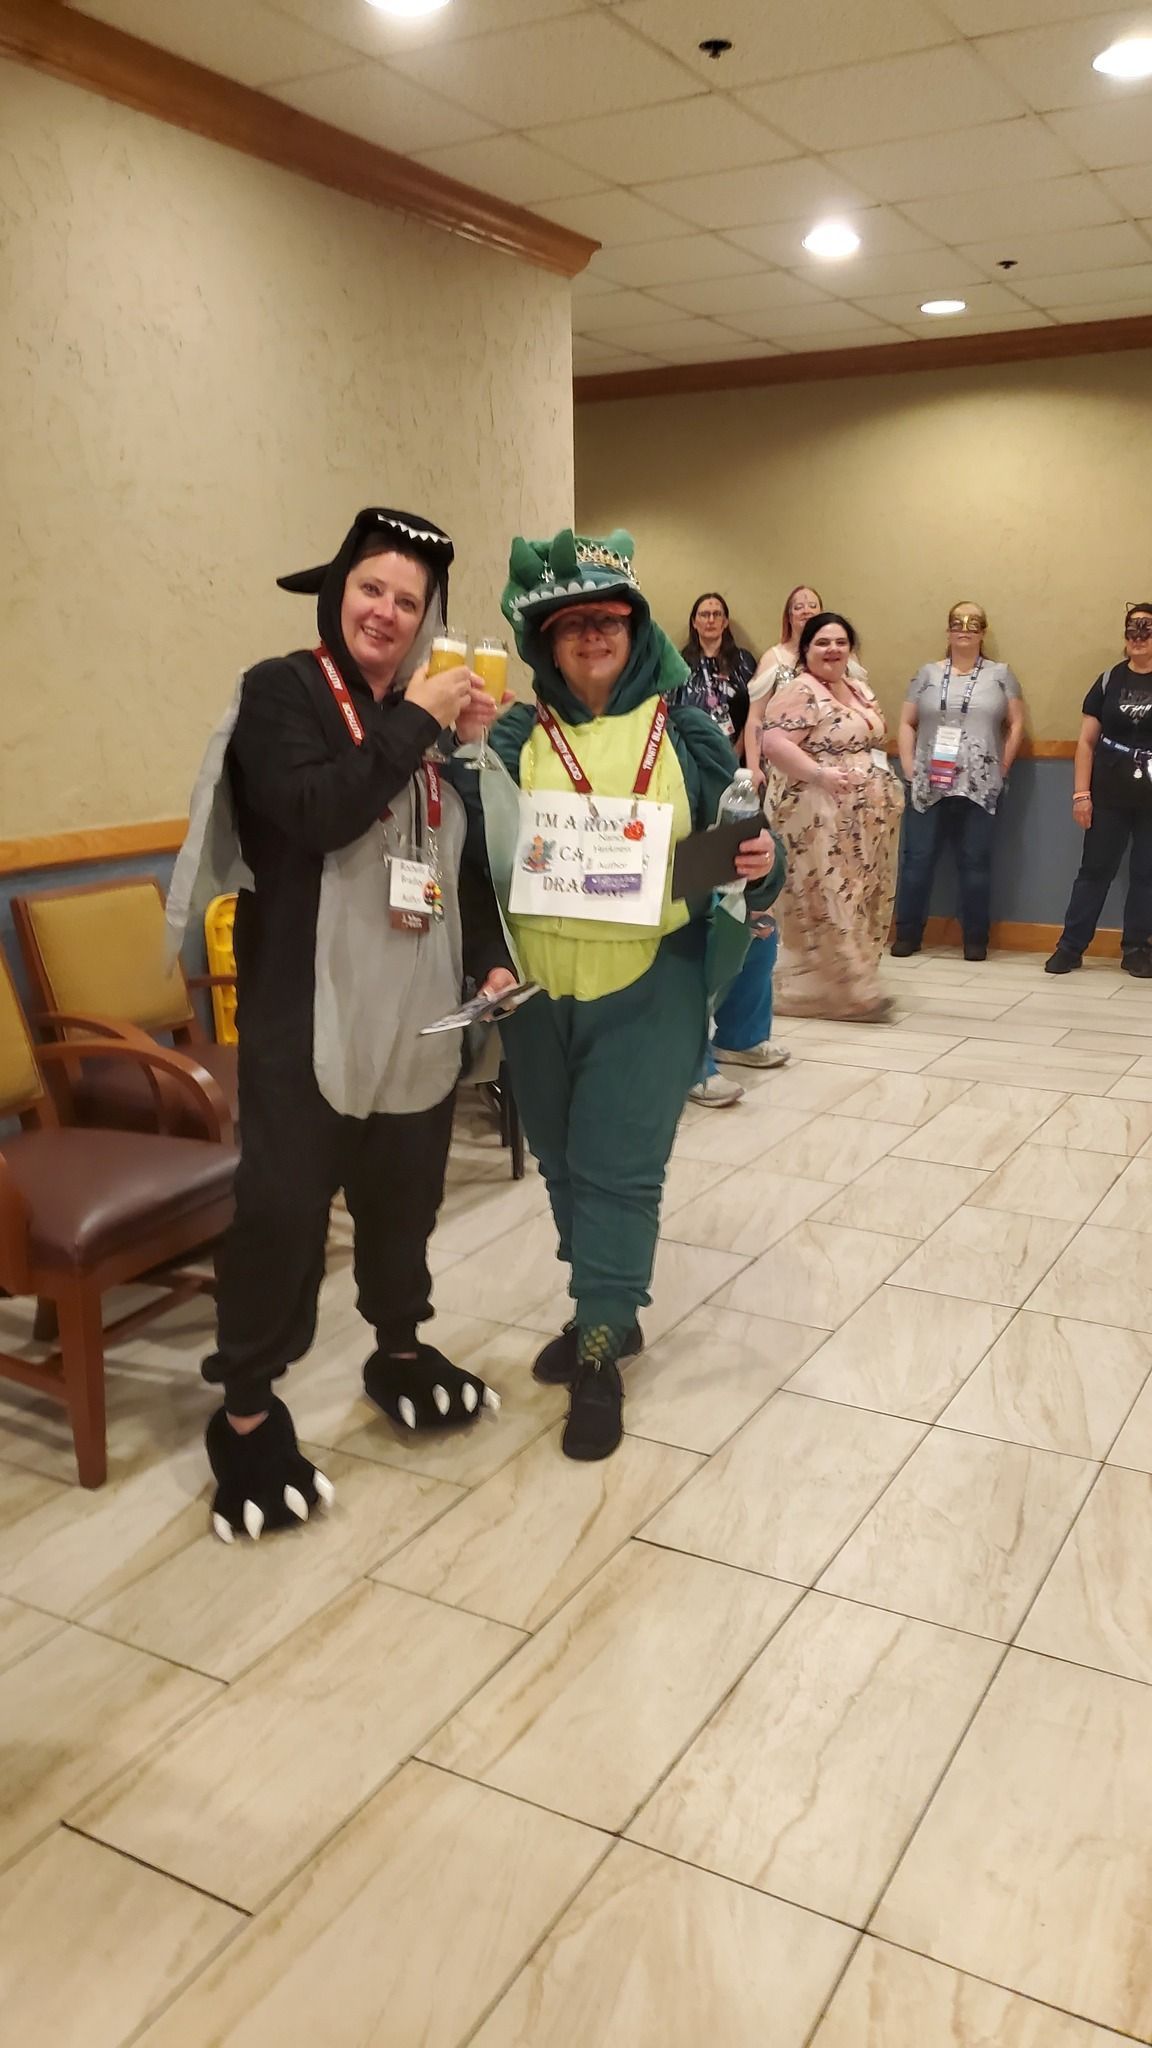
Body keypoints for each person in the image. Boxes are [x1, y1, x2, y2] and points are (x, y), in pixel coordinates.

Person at [167, 506, 514, 1542]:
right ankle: (247, 1411)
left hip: (414, 1009)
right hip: (303, 1011)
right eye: (373, 589)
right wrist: (413, 717)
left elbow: (461, 856)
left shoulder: (438, 721)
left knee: (406, 1192)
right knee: (280, 1209)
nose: (389, 611)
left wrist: (487, 949)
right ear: (336, 593)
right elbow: (315, 810)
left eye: (409, 601)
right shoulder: (283, 693)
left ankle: (399, 1349)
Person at [479, 528, 784, 1460]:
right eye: (570, 624)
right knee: (565, 1164)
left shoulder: (685, 731)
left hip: (650, 986)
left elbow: (734, 868)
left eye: (607, 619)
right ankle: (604, 1305)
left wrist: (760, 864)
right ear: (546, 641)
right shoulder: (508, 737)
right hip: (533, 991)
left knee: (617, 1169)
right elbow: (474, 866)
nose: (591, 636)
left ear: (636, 627)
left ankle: (602, 1345)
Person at [670, 595, 788, 1107]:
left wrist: (759, 866)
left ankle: (737, 1036)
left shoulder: (687, 732)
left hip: (684, 860)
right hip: (627, 881)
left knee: (756, 919)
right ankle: (688, 1058)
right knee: (695, 929)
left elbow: (725, 820)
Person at [759, 611, 904, 1022]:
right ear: (805, 650)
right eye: (822, 642)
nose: (832, 649)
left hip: (865, 820)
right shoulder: (799, 691)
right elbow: (773, 743)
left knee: (862, 898)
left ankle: (846, 986)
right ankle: (847, 992)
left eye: (840, 642)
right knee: (826, 898)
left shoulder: (858, 689)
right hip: (817, 816)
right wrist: (820, 774)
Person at [893, 600, 1025, 962]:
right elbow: (906, 722)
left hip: (980, 784)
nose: (964, 629)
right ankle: (907, 934)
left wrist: (1004, 767)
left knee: (976, 860)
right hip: (928, 781)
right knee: (917, 858)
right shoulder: (927, 674)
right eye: (957, 622)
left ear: (983, 631)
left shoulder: (1001, 674)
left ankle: (975, 940)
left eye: (974, 623)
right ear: (948, 630)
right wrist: (907, 765)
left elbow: (1015, 724)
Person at [1047, 601, 1152, 977]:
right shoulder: (1109, 680)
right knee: (1094, 870)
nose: (1138, 637)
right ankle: (1071, 946)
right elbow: (1086, 743)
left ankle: (1137, 948)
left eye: (1146, 629)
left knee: (1147, 872)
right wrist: (1081, 794)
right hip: (1108, 793)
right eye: (1131, 630)